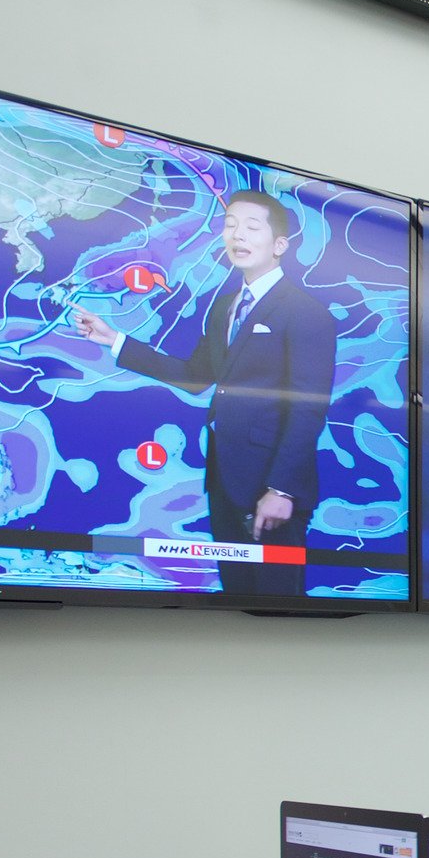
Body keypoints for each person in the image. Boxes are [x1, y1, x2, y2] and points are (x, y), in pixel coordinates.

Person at [73, 189, 333, 593]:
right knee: (239, 605)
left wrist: (282, 489)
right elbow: (195, 375)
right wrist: (115, 341)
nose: (238, 236)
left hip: (272, 489)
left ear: (280, 244)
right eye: (230, 226)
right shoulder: (223, 306)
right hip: (225, 481)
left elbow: (307, 409)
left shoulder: (306, 313)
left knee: (280, 609)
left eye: (251, 227)